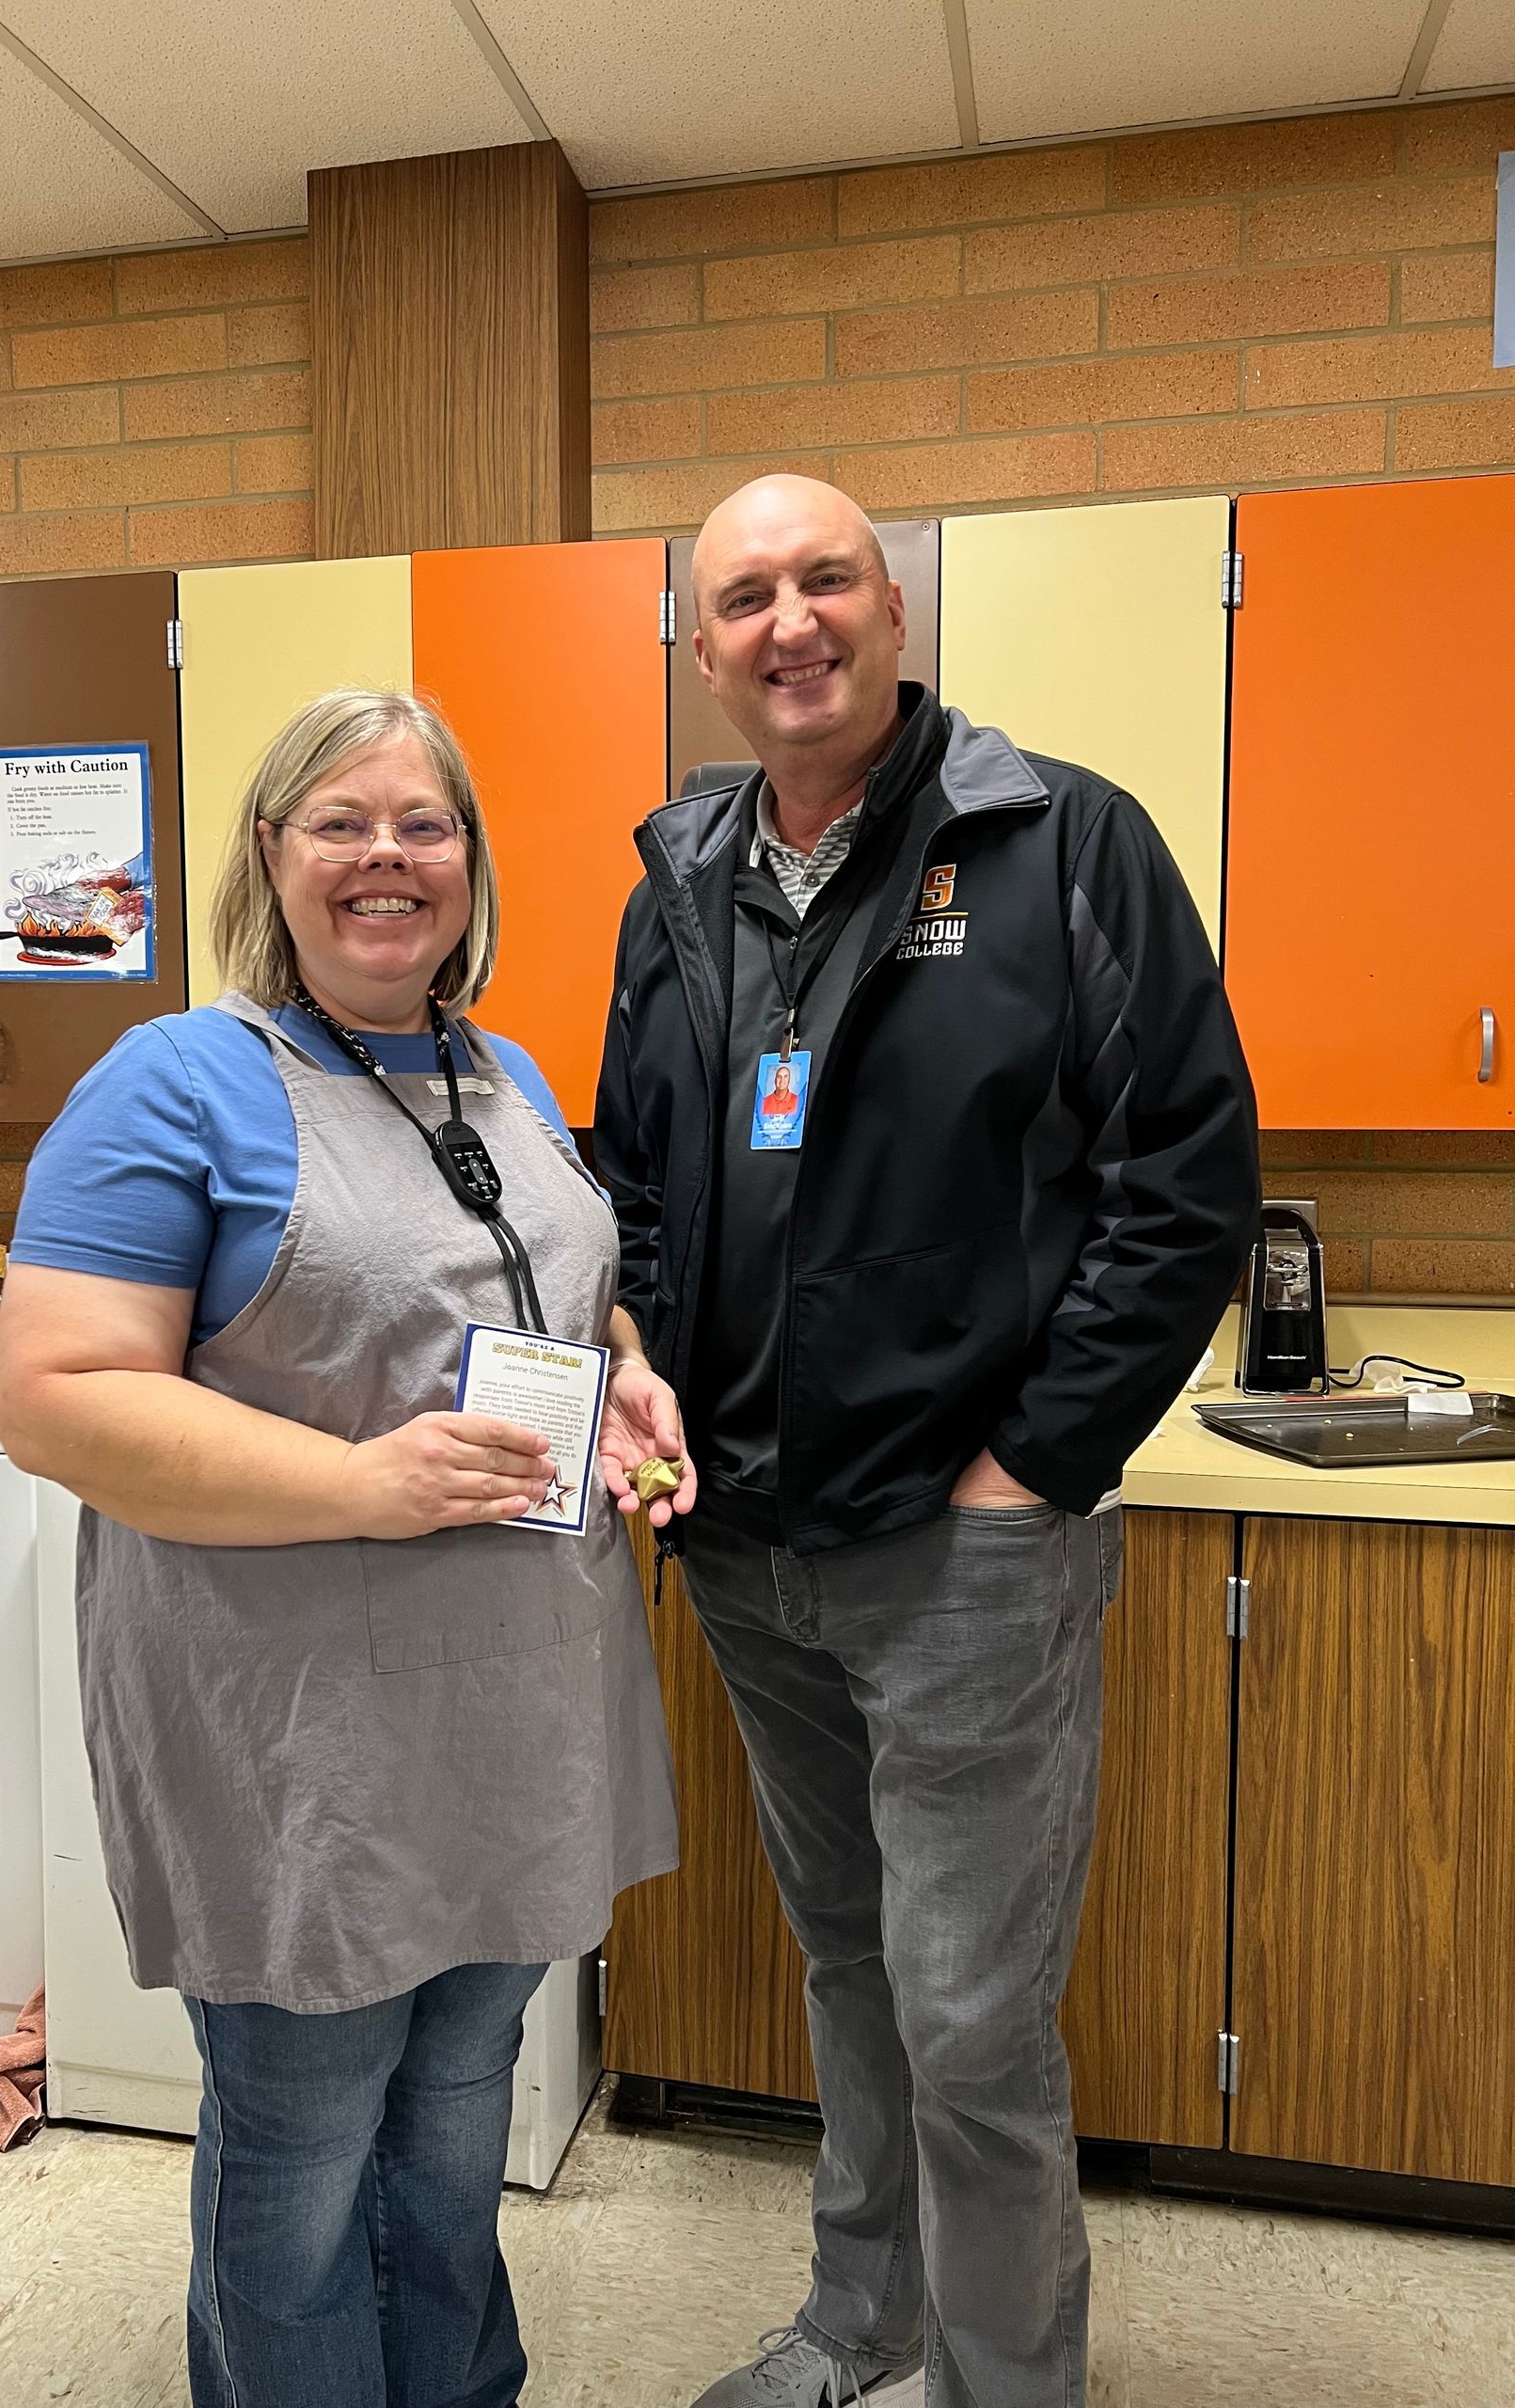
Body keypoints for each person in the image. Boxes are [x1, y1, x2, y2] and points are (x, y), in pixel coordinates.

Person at [593, 476, 1259, 2408]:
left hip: (968, 1547)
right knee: (855, 1971)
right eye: (743, 596)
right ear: (701, 648)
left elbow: (1186, 1180)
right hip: (743, 1537)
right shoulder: (681, 880)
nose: (788, 620)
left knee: (973, 2013)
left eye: (825, 578)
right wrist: (636, 1349)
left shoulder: (1063, 842)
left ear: (894, 608)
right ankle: (856, 2320)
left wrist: (1030, 1469)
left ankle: (1001, 2378)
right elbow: (634, 1176)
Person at [0, 687, 687, 2408]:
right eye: (342, 823)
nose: (389, 856)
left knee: (455, 2134)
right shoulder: (175, 1081)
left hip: (515, 1705)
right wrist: (363, 1480)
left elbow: (536, 1307)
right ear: (272, 858)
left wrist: (625, 1389)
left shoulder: (500, 1071)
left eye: (425, 824)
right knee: (304, 2160)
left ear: (470, 864)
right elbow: (59, 1396)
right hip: (299, 1731)